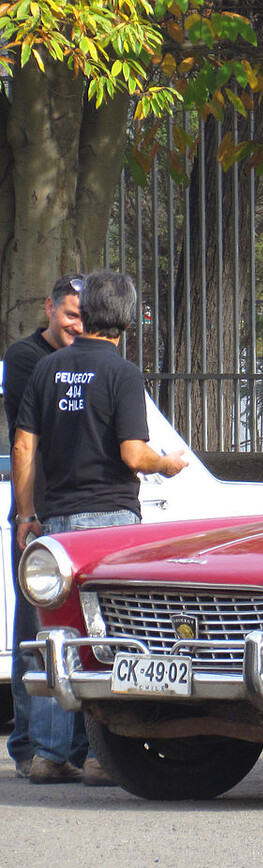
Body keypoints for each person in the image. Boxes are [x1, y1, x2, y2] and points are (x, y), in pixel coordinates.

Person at [11, 270, 188, 785]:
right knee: (107, 635)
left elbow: (24, 446)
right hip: (110, 521)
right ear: (127, 320)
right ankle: (97, 755)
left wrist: (27, 517)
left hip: (56, 520)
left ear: (85, 314)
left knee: (57, 631)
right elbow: (132, 453)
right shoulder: (123, 374)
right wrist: (167, 464)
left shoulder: (49, 369)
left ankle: (46, 754)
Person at [3, 275, 84, 783]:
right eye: (70, 315)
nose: (77, 326)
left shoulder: (77, 360)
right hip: (38, 511)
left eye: (85, 318)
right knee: (34, 631)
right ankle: (29, 746)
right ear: (49, 308)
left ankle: (68, 749)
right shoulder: (26, 357)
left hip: (73, 507)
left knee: (73, 629)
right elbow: (37, 435)